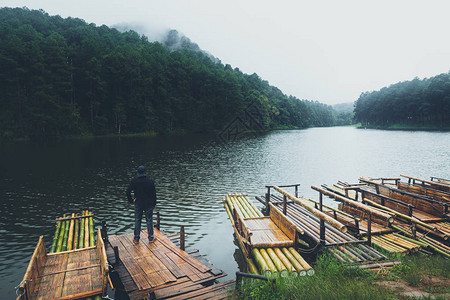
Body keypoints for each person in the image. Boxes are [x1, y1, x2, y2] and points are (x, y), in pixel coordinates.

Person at [126, 165, 157, 243]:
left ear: (138, 172)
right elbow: (154, 193)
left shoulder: (134, 181)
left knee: (137, 220)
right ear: (145, 172)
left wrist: (131, 200)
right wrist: (154, 203)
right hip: (148, 203)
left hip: (138, 202)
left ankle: (136, 238)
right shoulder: (150, 181)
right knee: (149, 220)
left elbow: (127, 191)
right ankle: (151, 238)